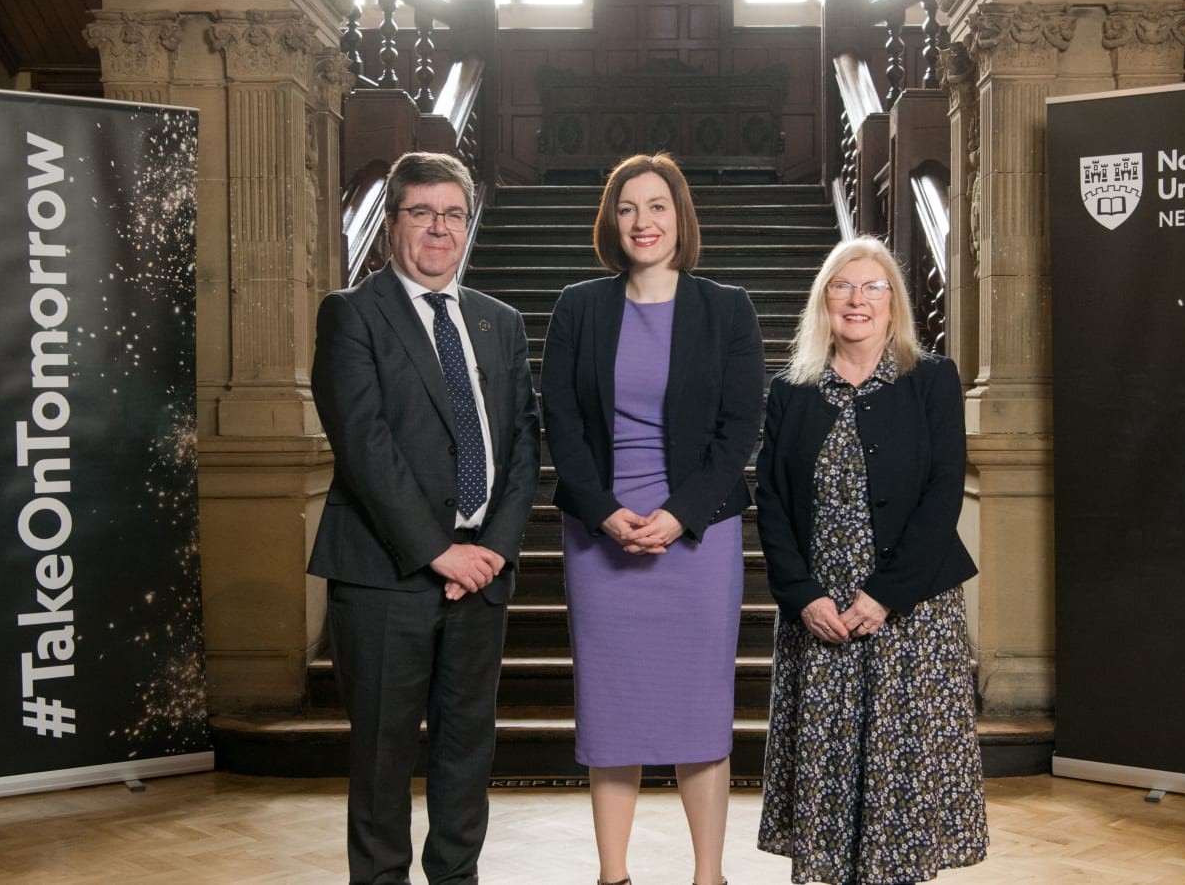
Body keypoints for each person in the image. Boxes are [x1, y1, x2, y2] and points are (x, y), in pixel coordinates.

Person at [307, 152, 541, 885]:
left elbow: (525, 441)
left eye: (452, 214)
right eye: (421, 213)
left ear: (467, 225)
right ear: (391, 224)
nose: (438, 229)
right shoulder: (352, 314)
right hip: (385, 574)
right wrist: (439, 551)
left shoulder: (497, 323)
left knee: (466, 748)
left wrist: (494, 551)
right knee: (382, 756)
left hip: (482, 576)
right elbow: (365, 446)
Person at [540, 153, 765, 885]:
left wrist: (677, 515)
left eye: (658, 206)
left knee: (701, 711)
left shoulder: (727, 308)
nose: (644, 221)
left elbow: (740, 429)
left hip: (698, 537)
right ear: (611, 221)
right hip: (600, 537)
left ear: (681, 218)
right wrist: (606, 514)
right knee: (613, 714)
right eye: (628, 207)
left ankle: (709, 876)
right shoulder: (579, 306)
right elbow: (561, 422)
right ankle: (613, 876)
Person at [755, 236, 989, 884]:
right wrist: (803, 595)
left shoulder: (932, 380)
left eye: (873, 288)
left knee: (902, 785)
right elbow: (770, 500)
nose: (857, 300)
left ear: (894, 305)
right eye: (842, 286)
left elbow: (943, 497)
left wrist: (883, 595)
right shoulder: (790, 391)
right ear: (823, 301)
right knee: (827, 787)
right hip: (821, 617)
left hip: (907, 614)